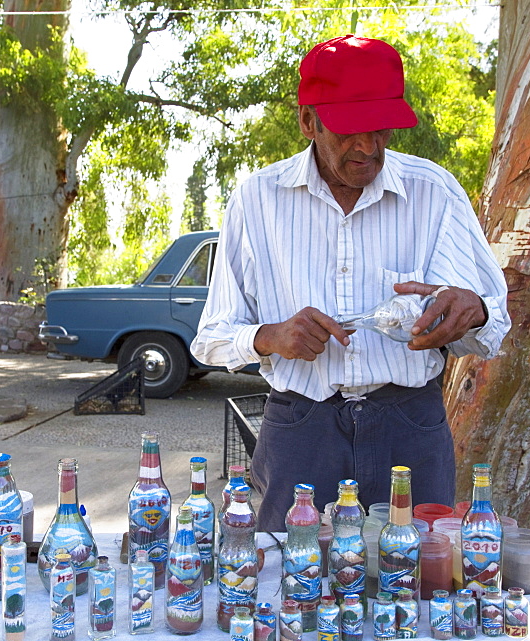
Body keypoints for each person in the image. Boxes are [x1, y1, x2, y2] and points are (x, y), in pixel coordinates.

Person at [190, 35, 511, 531]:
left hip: (411, 427)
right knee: (291, 588)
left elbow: (491, 324)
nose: (368, 147)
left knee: (418, 589)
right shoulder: (257, 200)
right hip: (301, 431)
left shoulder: (434, 192)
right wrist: (269, 337)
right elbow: (210, 337)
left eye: (381, 129)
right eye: (348, 130)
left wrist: (475, 311)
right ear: (307, 121)